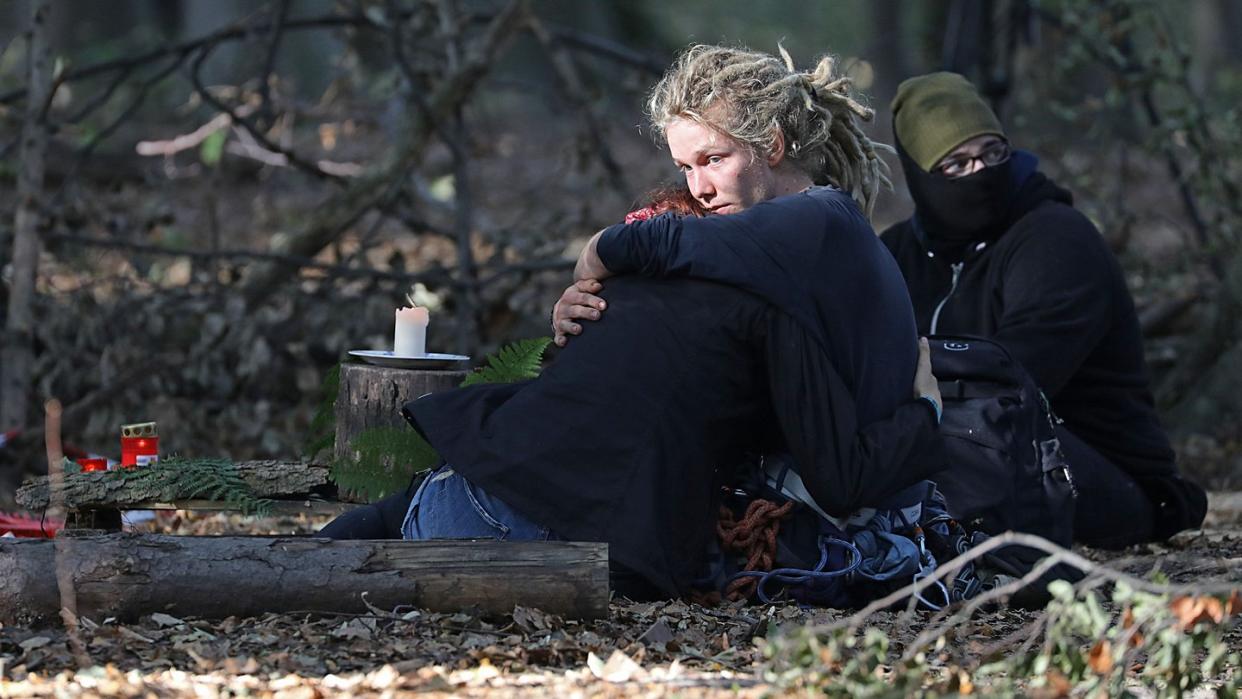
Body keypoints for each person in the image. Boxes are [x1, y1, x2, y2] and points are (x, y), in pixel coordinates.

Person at [327, 44, 948, 600]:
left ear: (775, 147)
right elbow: (835, 469)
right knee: (362, 540)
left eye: (713, 159)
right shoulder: (757, 274)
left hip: (517, 516)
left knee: (382, 525)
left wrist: (598, 249)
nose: (699, 187)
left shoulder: (815, 227)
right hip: (585, 539)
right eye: (685, 168)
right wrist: (925, 412)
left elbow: (649, 247)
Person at [879, 72, 1207, 548]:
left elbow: (1015, 377)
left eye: (993, 154)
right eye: (956, 165)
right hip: (979, 461)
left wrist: (910, 376)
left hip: (1104, 478)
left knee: (964, 424)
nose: (981, 174)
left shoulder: (1055, 239)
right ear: (921, 178)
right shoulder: (898, 253)